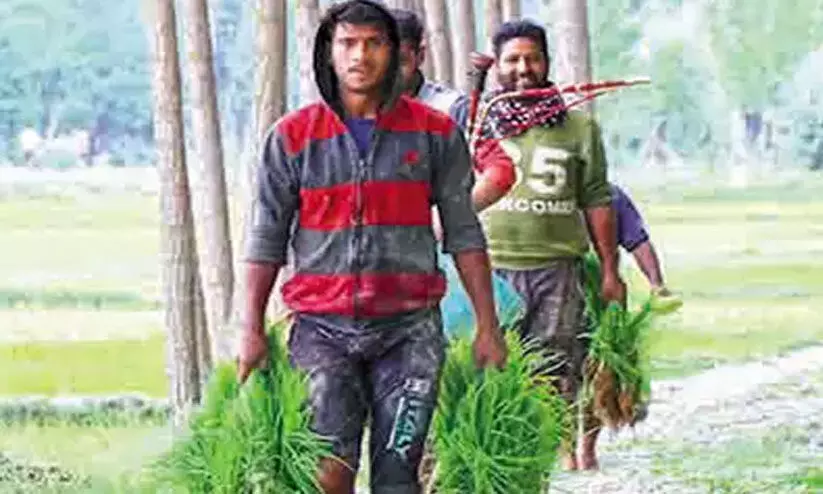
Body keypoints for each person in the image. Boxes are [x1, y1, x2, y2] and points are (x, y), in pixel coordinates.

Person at [237, 1, 508, 493]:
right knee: (327, 475)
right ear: (329, 52)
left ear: (394, 51)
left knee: (398, 474)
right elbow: (266, 237)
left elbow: (465, 233)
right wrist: (250, 327)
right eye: (348, 43)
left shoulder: (435, 134)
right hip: (320, 332)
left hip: (409, 333)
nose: (360, 56)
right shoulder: (292, 137)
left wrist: (488, 327)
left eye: (374, 43)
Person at [470, 20, 625, 471]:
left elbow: (597, 199)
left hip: (558, 269)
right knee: (490, 369)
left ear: (547, 62)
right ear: (497, 66)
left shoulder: (579, 128)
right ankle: (497, 455)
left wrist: (610, 270)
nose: (523, 69)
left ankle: (546, 456)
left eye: (532, 58)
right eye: (512, 60)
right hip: (488, 269)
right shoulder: (477, 123)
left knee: (555, 367)